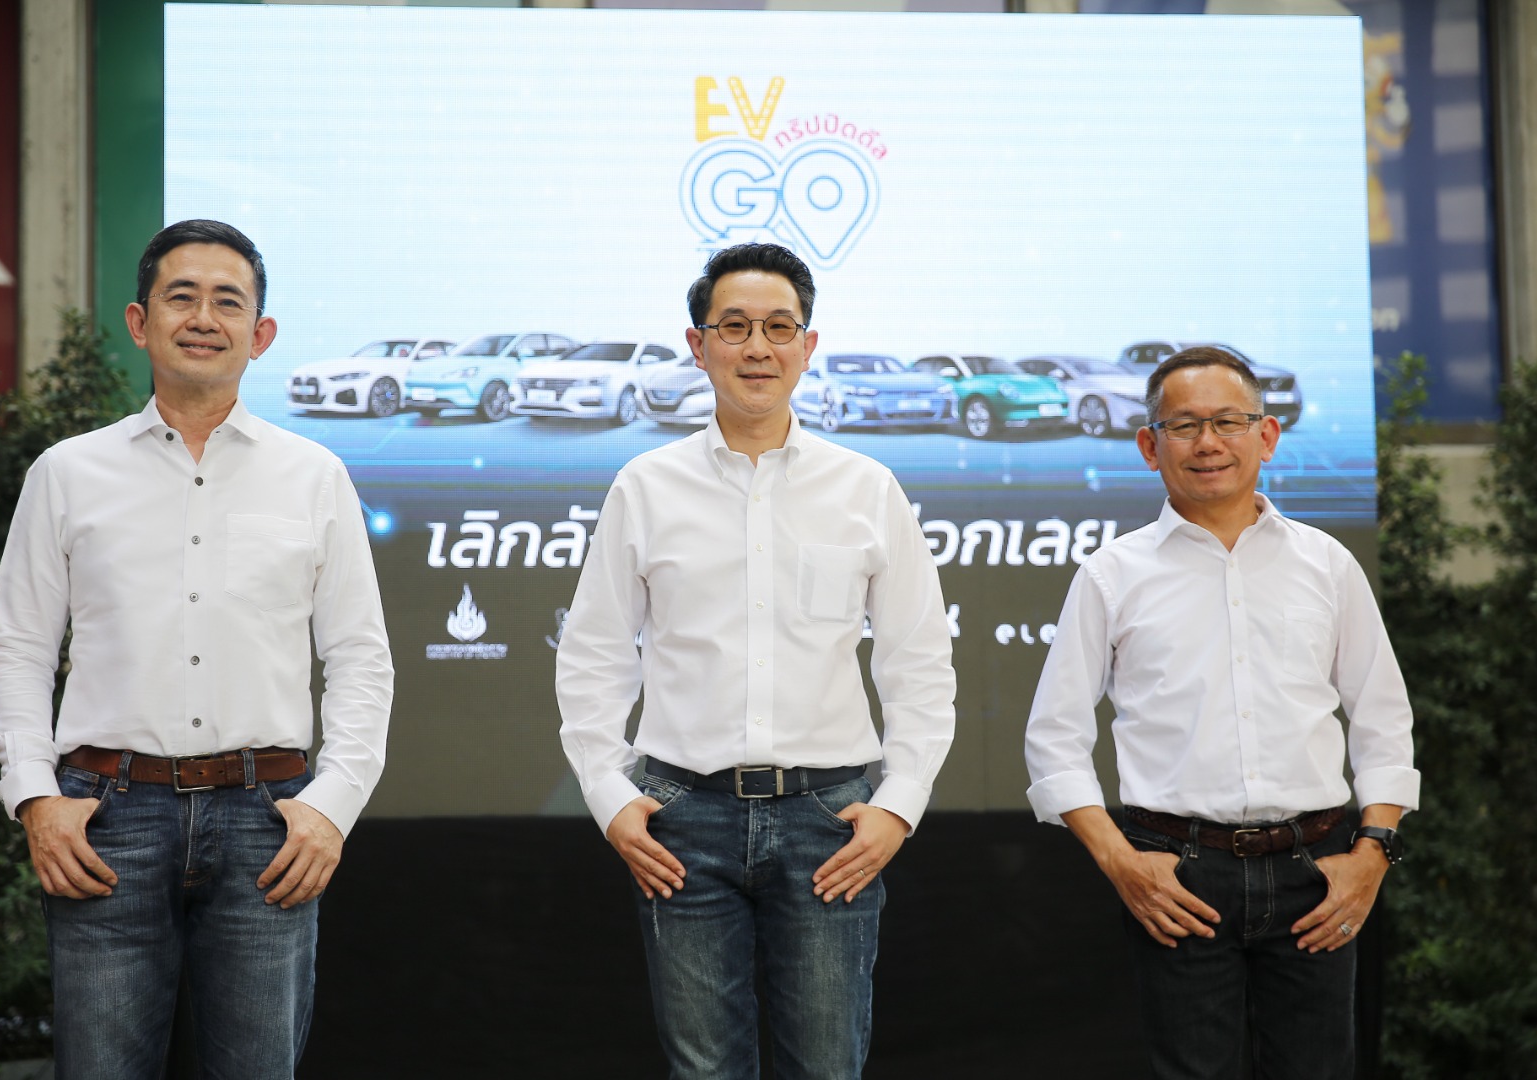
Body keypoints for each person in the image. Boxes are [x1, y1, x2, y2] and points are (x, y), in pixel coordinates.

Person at [0, 219, 394, 1079]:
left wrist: (333, 802)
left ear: (260, 333)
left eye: (227, 302)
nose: (204, 318)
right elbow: (16, 645)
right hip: (104, 819)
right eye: (182, 297)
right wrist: (34, 795)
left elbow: (359, 655)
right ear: (141, 322)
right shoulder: (67, 472)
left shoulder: (314, 474)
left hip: (267, 821)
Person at [555, 242, 956, 1080]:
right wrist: (608, 794)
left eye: (779, 328)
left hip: (830, 821)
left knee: (827, 1066)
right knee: (703, 1069)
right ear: (698, 346)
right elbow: (593, 655)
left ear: (809, 346)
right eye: (733, 327)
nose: (757, 348)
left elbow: (918, 661)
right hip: (680, 821)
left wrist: (900, 803)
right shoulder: (645, 486)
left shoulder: (866, 488)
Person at [1024, 346, 1419, 1080]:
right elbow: (1053, 739)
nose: (1208, 443)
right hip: (1178, 876)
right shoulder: (1111, 576)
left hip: (1317, 870)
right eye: (1184, 425)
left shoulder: (1327, 564)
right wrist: (1121, 863)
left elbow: (1384, 721)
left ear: (1266, 436)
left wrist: (1373, 855)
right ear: (1150, 447)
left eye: (1228, 422)